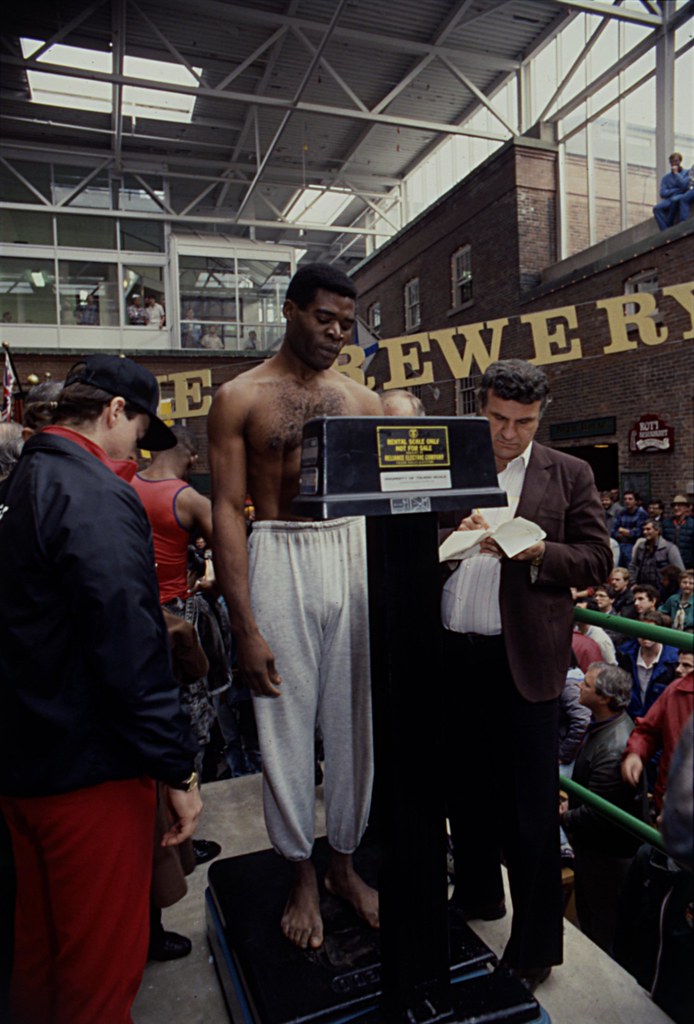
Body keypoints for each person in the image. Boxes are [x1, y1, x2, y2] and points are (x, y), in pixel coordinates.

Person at [0, 354, 202, 1024]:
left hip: (28, 757)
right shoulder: (89, 492)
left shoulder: (29, 475)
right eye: (138, 434)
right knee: (99, 970)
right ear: (115, 412)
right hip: (88, 767)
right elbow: (129, 650)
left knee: (39, 950)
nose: (138, 454)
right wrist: (176, 766)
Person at [208, 263, 383, 951]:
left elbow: (384, 498)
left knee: (354, 722)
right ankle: (299, 869)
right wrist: (243, 625)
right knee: (283, 719)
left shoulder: (360, 401)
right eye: (324, 320)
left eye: (346, 323)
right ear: (289, 310)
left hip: (350, 549)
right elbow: (226, 508)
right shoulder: (239, 397)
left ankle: (342, 861)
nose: (337, 334)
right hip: (277, 548)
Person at [441, 359, 612, 992]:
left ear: (542, 417)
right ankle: (480, 895)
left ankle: (537, 941)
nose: (507, 434)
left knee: (531, 813)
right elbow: (410, 533)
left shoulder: (569, 474)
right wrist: (447, 534)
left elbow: (596, 556)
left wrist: (538, 551)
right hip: (455, 655)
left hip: (526, 666)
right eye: (496, 419)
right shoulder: (454, 461)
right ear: (479, 406)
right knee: (465, 791)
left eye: (522, 422)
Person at [560, 664, 646, 955]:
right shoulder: (605, 728)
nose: (579, 687)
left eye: (586, 684)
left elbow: (599, 813)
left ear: (604, 698)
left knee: (602, 924)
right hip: (597, 850)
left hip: (606, 856)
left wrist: (564, 815)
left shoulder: (613, 747)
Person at [622, 650, 694, 815]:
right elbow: (649, 731)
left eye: (687, 666)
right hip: (668, 800)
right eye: (679, 663)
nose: (677, 670)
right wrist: (636, 753)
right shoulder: (676, 691)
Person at [618, 610, 679, 720]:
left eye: (651, 630)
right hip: (630, 718)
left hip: (659, 722)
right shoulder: (625, 655)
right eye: (641, 630)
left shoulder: (674, 661)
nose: (645, 635)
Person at [628, 519, 684, 586]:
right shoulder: (641, 547)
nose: (645, 532)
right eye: (644, 529)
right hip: (642, 586)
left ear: (657, 530)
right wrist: (633, 583)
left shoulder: (669, 548)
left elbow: (680, 571)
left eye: (648, 529)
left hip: (662, 589)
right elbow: (633, 566)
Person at [652, 152, 689, 231]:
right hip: (670, 198)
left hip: (682, 195)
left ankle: (670, 222)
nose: (674, 164)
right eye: (672, 162)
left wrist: (676, 174)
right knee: (656, 208)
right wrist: (675, 190)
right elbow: (662, 193)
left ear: (680, 161)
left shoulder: (686, 173)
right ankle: (665, 230)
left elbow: (684, 186)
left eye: (676, 161)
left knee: (675, 200)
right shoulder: (666, 178)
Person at [611, 490, 647, 567]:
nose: (627, 501)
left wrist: (623, 531)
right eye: (625, 499)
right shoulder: (621, 513)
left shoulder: (641, 514)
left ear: (636, 501)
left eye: (630, 499)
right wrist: (624, 533)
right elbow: (613, 531)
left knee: (631, 568)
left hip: (634, 546)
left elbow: (639, 533)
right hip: (621, 545)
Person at [662, 494, 694, 569]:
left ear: (687, 508)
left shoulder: (692, 524)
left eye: (680, 505)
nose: (676, 508)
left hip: (688, 563)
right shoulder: (666, 523)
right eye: (674, 506)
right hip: (670, 562)